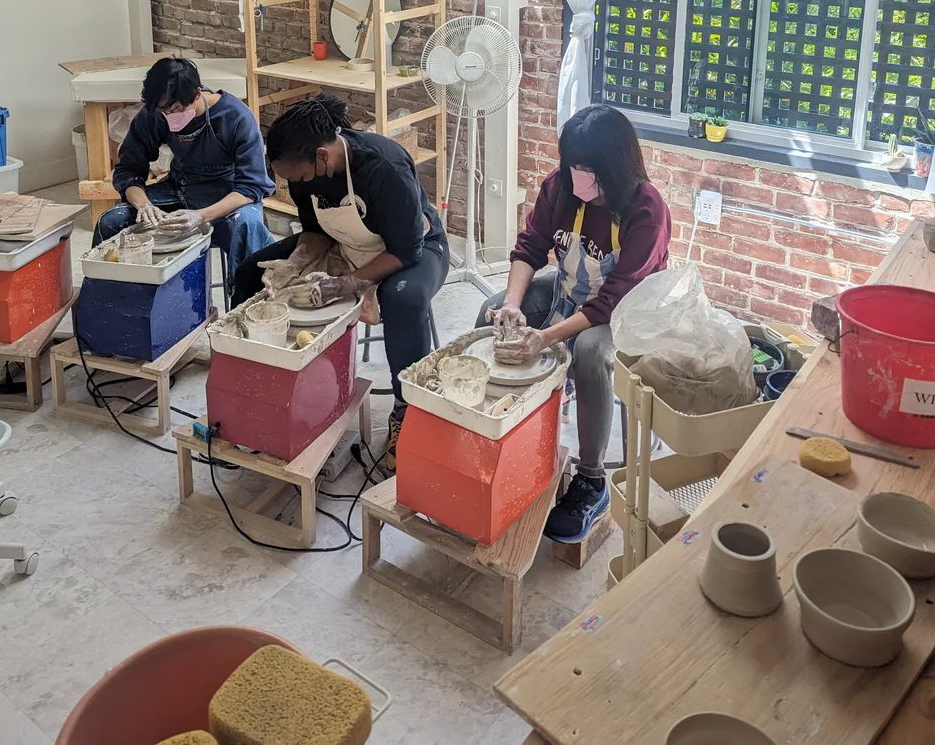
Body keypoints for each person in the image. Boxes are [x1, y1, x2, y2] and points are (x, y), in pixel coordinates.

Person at [477, 104, 670, 543]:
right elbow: (529, 248)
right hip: (571, 288)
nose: (578, 174)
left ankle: (591, 479)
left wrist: (544, 337)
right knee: (491, 312)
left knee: (588, 351)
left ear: (616, 166)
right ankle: (507, 436)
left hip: (627, 312)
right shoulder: (560, 187)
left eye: (588, 167)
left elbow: (609, 305)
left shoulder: (646, 211)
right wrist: (512, 304)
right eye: (573, 164)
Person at [235, 94, 449, 471]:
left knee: (404, 298)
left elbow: (406, 251)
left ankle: (407, 409)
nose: (295, 184)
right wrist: (297, 262)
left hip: (415, 247)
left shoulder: (384, 166)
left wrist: (346, 283)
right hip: (347, 244)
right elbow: (316, 231)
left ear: (321, 156)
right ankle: (264, 387)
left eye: (297, 176)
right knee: (253, 271)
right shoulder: (303, 172)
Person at [92, 57, 274, 300]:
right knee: (112, 221)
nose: (169, 116)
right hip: (179, 187)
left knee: (247, 225)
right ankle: (119, 305)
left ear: (197, 94)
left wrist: (200, 215)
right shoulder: (155, 114)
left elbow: (251, 187)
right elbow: (128, 169)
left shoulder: (236, 117)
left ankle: (245, 310)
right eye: (163, 110)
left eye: (175, 109)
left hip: (229, 196)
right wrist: (144, 205)